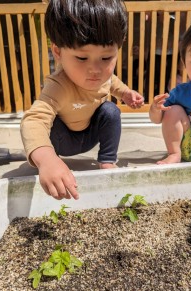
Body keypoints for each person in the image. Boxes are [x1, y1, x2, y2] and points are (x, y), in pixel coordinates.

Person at [20, 0, 144, 200]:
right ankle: (56, 165)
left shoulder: (103, 77)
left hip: (89, 135)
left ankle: (107, 161)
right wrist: (46, 159)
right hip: (63, 140)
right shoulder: (59, 85)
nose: (95, 69)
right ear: (58, 52)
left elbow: (113, 83)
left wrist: (127, 94)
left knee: (111, 111)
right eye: (81, 58)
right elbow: (33, 120)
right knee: (51, 125)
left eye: (106, 58)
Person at [149, 14, 191, 165]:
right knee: (173, 111)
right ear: (184, 61)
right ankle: (174, 154)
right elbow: (157, 119)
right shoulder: (181, 92)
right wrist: (156, 108)